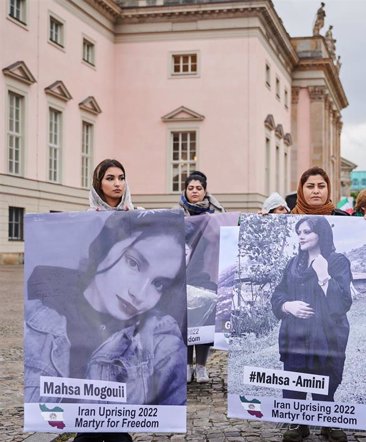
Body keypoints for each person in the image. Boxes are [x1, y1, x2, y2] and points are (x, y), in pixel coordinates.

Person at [25, 160, 186, 442]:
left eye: (122, 178)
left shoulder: (160, 336)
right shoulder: (44, 319)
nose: (140, 293)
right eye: (134, 263)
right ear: (102, 250)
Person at [278, 166, 349, 442]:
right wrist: (288, 307)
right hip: (295, 332)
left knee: (325, 376)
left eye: (321, 186)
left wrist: (324, 277)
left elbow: (343, 302)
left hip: (327, 332)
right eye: (310, 186)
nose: (316, 191)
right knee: (295, 376)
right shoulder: (293, 263)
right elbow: (278, 295)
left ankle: (328, 420)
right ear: (301, 189)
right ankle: (297, 422)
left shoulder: (338, 259)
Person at [179, 171, 225, 383]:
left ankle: (201, 366)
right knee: (186, 321)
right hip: (182, 274)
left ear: (205, 191)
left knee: (205, 319)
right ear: (185, 190)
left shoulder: (217, 213)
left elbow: (226, 231)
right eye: (191, 188)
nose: (195, 191)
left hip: (207, 273)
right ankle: (187, 365)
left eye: (199, 188)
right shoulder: (176, 212)